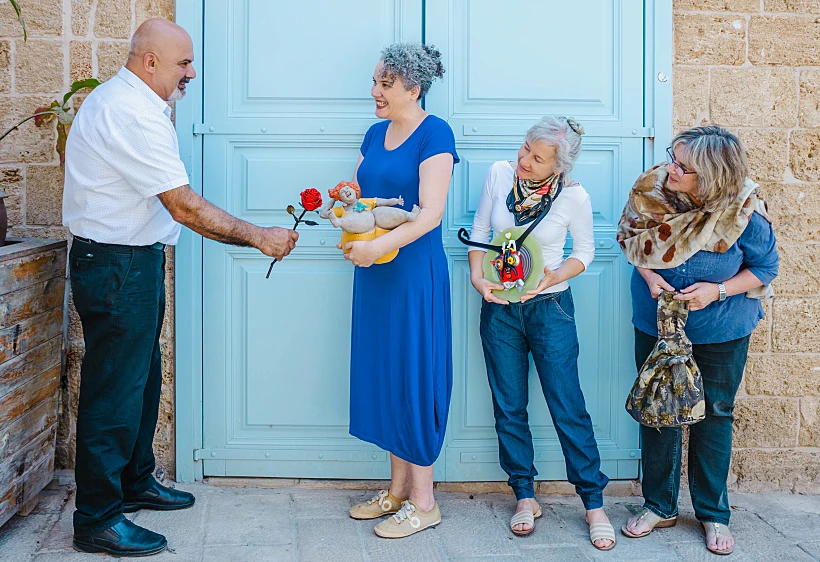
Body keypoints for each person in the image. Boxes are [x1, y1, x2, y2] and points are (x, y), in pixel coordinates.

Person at [63, 18, 298, 557]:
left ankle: (134, 480)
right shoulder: (128, 113)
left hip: (132, 260)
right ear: (150, 62)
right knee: (114, 390)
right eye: (183, 63)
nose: (191, 72)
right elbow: (184, 205)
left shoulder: (136, 105)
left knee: (142, 379)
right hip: (117, 264)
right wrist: (259, 236)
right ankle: (97, 517)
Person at [617, 126, 779, 556]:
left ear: (710, 177)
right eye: (674, 157)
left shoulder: (744, 212)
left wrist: (717, 291)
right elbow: (635, 248)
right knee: (658, 413)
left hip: (722, 329)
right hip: (659, 325)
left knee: (715, 416)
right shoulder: (651, 193)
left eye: (683, 167)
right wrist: (652, 277)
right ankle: (659, 506)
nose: (670, 168)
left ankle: (712, 512)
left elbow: (765, 268)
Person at [465, 116, 616, 550]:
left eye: (537, 157)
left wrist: (553, 277)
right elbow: (479, 233)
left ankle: (593, 503)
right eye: (525, 148)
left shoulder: (574, 197)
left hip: (550, 309)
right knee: (509, 405)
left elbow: (584, 252)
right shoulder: (498, 175)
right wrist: (479, 280)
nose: (524, 160)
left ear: (559, 166)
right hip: (500, 308)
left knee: (567, 406)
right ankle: (524, 496)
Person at [344, 43, 459, 539]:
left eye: (385, 84)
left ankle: (425, 502)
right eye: (374, 81)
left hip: (412, 273)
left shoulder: (436, 133)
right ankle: (396, 492)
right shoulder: (374, 132)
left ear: (413, 88)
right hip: (375, 272)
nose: (374, 91)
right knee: (386, 374)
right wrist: (345, 204)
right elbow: (363, 191)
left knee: (414, 375)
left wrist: (378, 247)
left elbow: (430, 213)